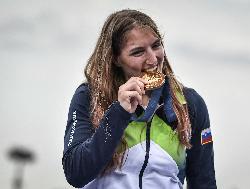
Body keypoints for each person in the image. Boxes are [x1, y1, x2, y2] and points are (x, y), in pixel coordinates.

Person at [62, 9, 217, 189]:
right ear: (115, 58)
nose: (153, 59)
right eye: (138, 52)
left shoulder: (189, 103)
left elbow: (204, 183)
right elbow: (75, 173)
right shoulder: (91, 96)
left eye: (156, 45)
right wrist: (118, 113)